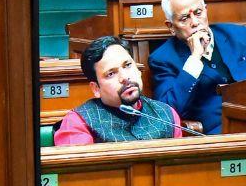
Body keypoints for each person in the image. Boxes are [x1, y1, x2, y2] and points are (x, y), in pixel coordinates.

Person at [148, 0, 246, 136]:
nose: (194, 22)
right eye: (185, 18)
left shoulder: (236, 35)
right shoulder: (163, 59)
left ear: (206, 11)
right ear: (171, 27)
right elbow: (167, 111)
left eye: (198, 13)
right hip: (219, 133)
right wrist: (194, 58)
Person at [55, 36, 183, 146]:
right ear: (96, 88)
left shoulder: (167, 114)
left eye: (127, 65)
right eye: (111, 74)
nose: (124, 78)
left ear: (138, 70)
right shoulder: (79, 122)